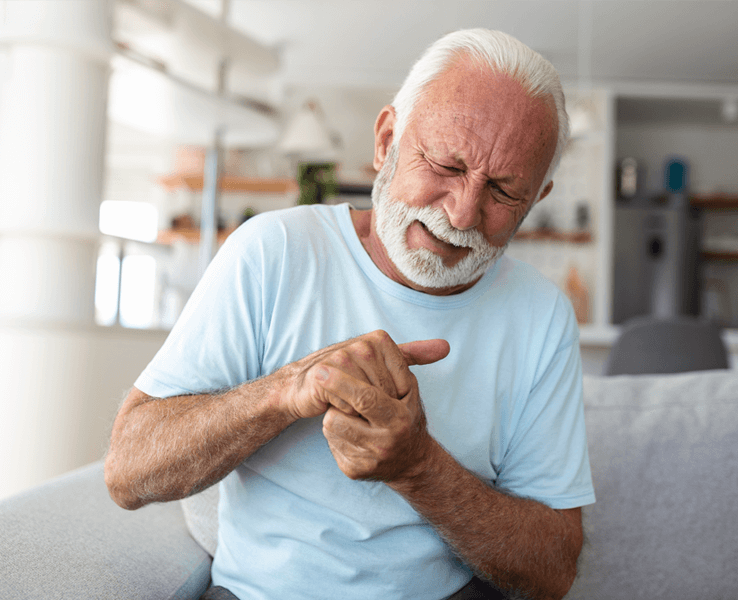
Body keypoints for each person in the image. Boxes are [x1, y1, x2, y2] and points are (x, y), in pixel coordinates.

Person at [105, 28, 595, 600]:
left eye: (505, 192)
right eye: (446, 165)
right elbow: (129, 470)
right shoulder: (273, 250)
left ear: (537, 199)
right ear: (387, 141)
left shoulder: (543, 316)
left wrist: (418, 468)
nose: (463, 215)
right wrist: (289, 390)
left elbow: (554, 569)